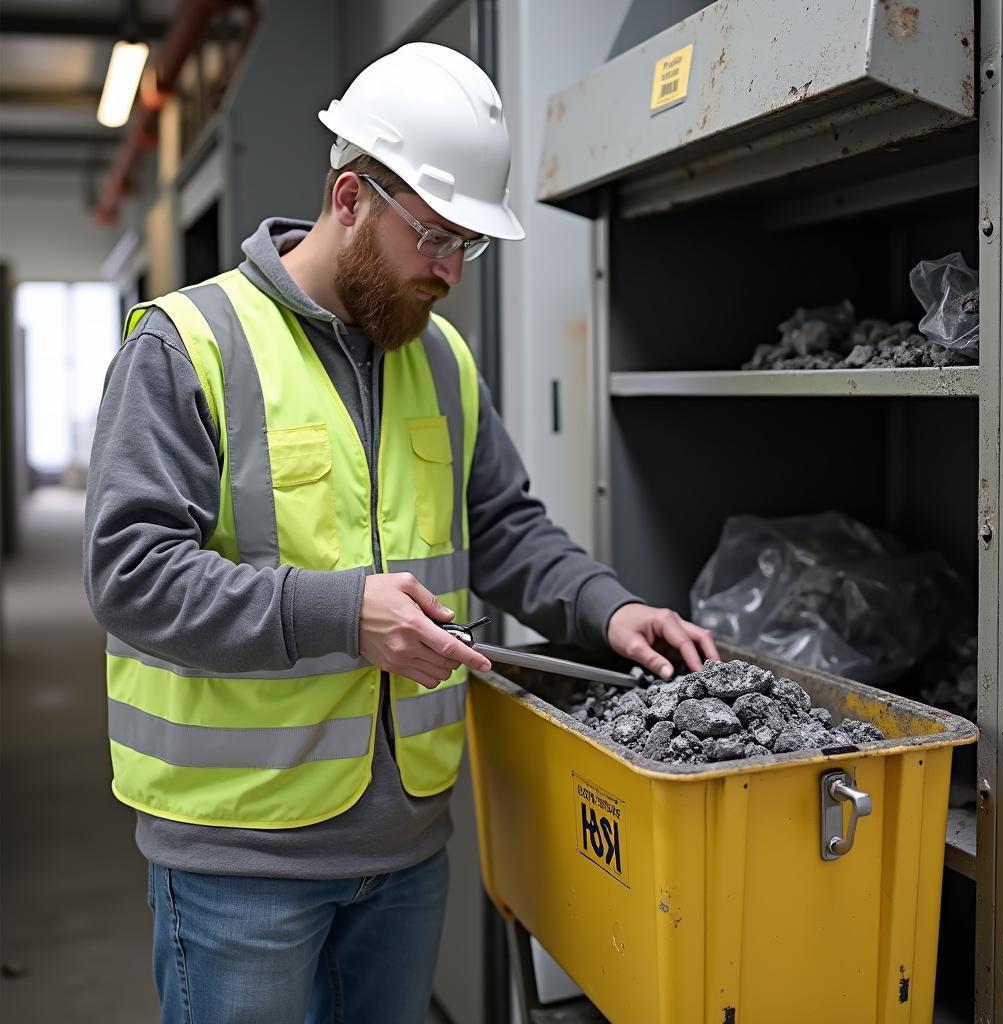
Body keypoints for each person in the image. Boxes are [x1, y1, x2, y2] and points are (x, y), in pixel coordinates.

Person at [84, 42, 719, 1024]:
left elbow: (502, 525)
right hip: (240, 863)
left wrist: (610, 606)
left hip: (407, 848)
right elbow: (132, 577)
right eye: (433, 237)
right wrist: (343, 613)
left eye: (468, 245)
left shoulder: (441, 359)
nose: (449, 272)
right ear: (349, 199)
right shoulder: (187, 347)